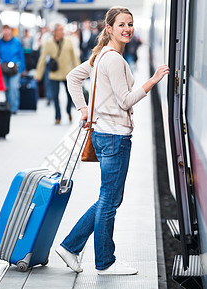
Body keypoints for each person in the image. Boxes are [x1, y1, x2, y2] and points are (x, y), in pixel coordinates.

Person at [55, 6, 169, 275]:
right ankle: (104, 261)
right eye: (121, 24)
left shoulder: (101, 55)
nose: (127, 28)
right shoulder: (114, 59)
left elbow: (74, 78)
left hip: (105, 134)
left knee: (108, 198)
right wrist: (151, 81)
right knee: (109, 200)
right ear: (109, 28)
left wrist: (84, 109)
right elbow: (125, 100)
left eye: (130, 24)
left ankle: (71, 246)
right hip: (115, 137)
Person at [35, 24, 80, 124]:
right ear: (54, 32)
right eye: (59, 30)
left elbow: (75, 57)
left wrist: (79, 73)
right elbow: (42, 58)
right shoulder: (48, 43)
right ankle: (58, 116)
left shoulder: (69, 41)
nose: (62, 32)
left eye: (62, 29)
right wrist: (38, 74)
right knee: (55, 96)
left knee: (70, 95)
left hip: (67, 73)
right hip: (54, 73)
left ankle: (68, 110)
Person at [0, 25, 25, 114]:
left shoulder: (16, 42)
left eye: (8, 30)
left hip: (15, 69)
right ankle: (7, 106)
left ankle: (14, 108)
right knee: (5, 88)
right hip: (3, 68)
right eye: (4, 30)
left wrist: (22, 69)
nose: (6, 32)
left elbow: (21, 56)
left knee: (14, 87)